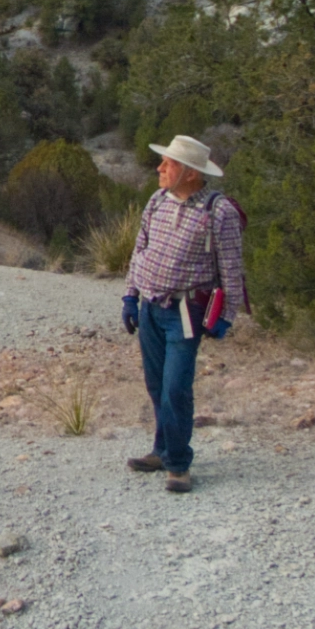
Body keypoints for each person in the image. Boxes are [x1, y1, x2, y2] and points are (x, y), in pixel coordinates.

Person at [120, 135, 246, 494]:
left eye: (169, 164)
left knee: (176, 387)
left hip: (185, 311)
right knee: (156, 384)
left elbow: (232, 268)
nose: (160, 169)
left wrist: (227, 315)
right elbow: (139, 250)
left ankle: (178, 463)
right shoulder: (157, 201)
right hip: (150, 308)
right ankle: (161, 450)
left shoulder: (219, 212)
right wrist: (130, 296)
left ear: (191, 173)